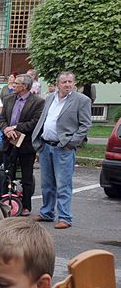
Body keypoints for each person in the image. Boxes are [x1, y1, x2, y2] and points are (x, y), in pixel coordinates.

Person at [31, 71, 92, 229]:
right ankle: (47, 213)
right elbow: (44, 119)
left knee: (63, 184)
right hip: (46, 146)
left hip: (63, 148)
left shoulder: (82, 100)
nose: (67, 85)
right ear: (58, 84)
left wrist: (71, 143)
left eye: (70, 82)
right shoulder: (50, 98)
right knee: (46, 183)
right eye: (64, 82)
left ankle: (65, 217)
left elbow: (85, 125)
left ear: (74, 83)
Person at [0, 74, 45, 216]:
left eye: (16, 84)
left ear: (24, 86)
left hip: (26, 144)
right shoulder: (8, 100)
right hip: (9, 142)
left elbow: (35, 122)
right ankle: (6, 203)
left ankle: (26, 206)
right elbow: (2, 120)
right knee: (7, 173)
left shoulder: (38, 102)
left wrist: (16, 128)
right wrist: (6, 129)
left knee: (26, 177)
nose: (12, 86)